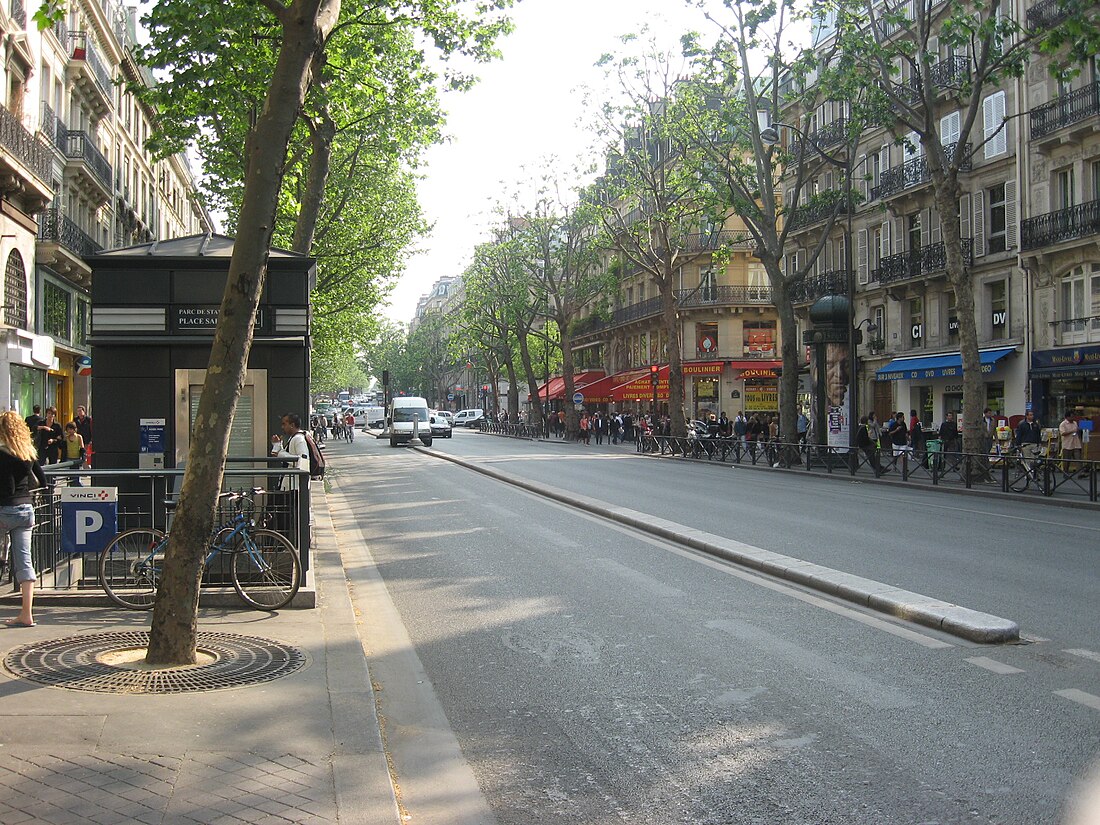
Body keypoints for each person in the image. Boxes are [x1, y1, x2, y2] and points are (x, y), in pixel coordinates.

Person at [0, 410, 47, 627]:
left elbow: (6, 488)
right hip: (26, 509)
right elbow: (43, 481)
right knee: (24, 562)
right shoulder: (27, 452)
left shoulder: (2, 453)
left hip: (5, 509)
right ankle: (26, 614)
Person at [270, 413, 311, 488]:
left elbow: (303, 461)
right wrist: (277, 445)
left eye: (284, 424)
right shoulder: (294, 438)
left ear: (292, 425)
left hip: (295, 486)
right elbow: (286, 454)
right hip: (291, 484)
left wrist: (280, 454)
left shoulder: (298, 439)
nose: (282, 427)